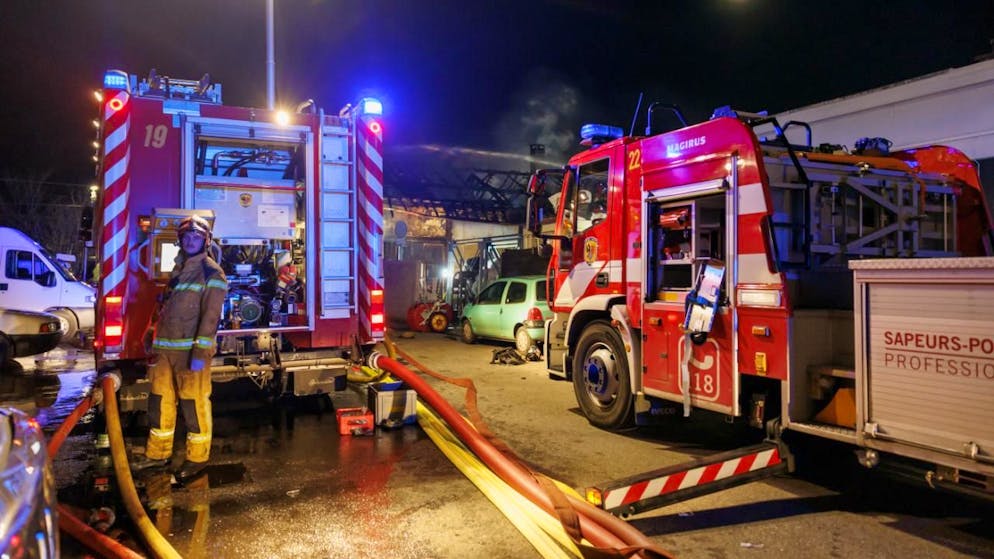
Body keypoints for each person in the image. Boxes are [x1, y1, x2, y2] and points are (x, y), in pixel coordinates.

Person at [133, 215, 228, 482]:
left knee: (193, 405)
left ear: (206, 241)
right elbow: (163, 308)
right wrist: (151, 332)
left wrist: (200, 353)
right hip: (164, 353)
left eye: (196, 237)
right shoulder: (177, 272)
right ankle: (157, 454)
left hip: (190, 354)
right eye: (186, 237)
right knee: (159, 402)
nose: (190, 241)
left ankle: (197, 458)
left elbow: (210, 317)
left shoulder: (212, 273)